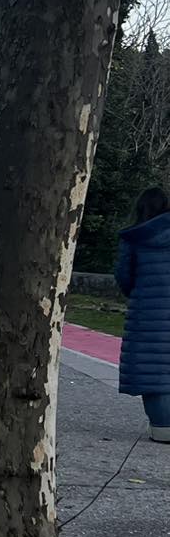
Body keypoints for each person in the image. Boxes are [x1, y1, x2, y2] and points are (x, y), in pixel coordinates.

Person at [116, 186, 170, 443]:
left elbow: (124, 277)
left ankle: (162, 426)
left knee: (152, 367)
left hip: (147, 310)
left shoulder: (135, 238)